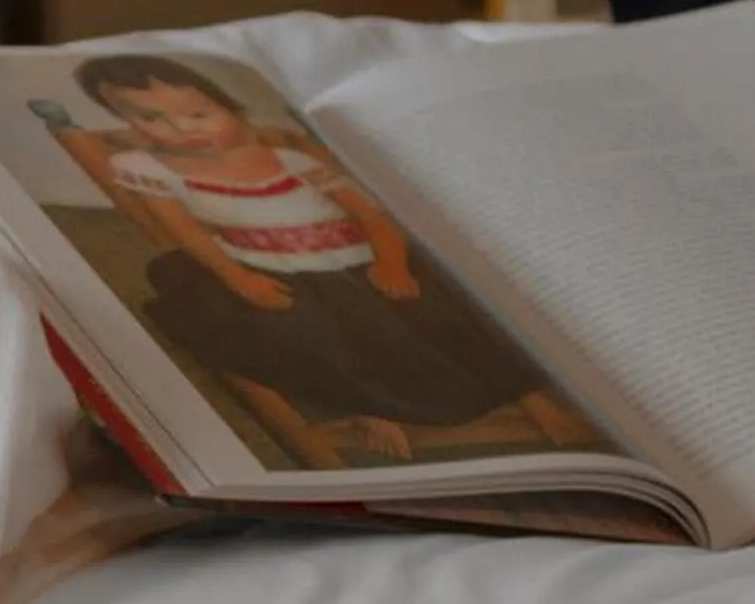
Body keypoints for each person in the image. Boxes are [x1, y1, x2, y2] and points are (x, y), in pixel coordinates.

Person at [43, 54, 597, 467]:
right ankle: (364, 409)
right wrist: (240, 279)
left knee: (448, 308)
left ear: (229, 107)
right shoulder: (152, 169)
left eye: (196, 112)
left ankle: (533, 400)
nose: (180, 130)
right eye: (150, 120)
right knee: (290, 328)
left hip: (358, 263)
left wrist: (392, 264)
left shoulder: (286, 155)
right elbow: (184, 235)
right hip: (264, 271)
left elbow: (374, 216)